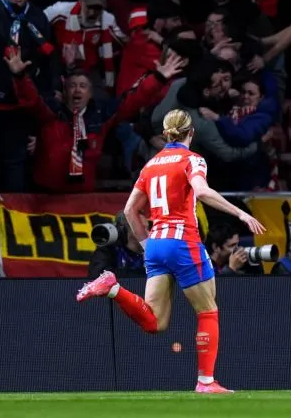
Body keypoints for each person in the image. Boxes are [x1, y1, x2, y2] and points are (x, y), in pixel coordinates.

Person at [76, 109, 266, 394]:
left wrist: (145, 246)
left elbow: (130, 210)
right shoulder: (193, 159)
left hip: (156, 243)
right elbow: (201, 192)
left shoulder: (150, 165)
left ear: (165, 134)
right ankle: (205, 382)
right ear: (191, 133)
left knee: (155, 322)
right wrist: (240, 213)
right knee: (208, 310)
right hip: (183, 241)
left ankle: (113, 288)